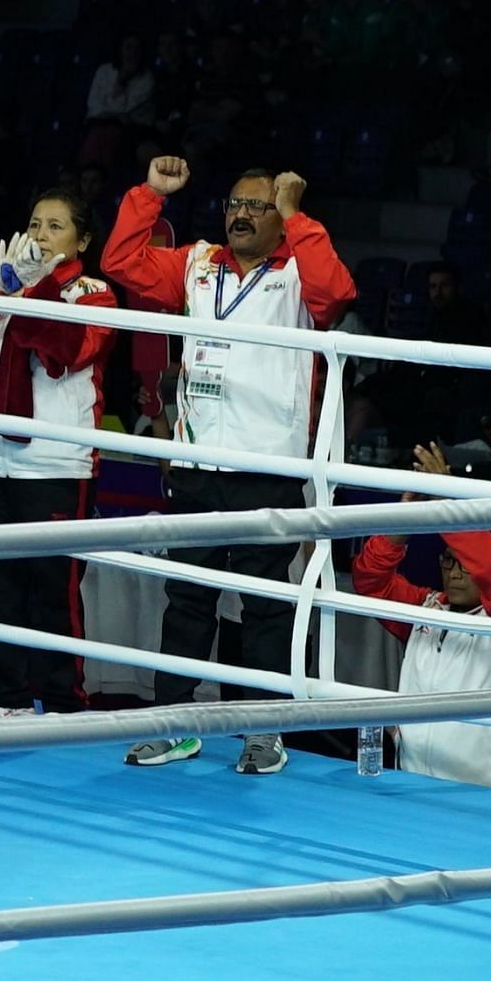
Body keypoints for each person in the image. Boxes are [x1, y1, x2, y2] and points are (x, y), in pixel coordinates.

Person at [102, 158, 356, 775]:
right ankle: (174, 724)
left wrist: (298, 218)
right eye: (233, 205)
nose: (240, 215)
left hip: (267, 466)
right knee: (186, 599)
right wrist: (150, 195)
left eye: (256, 207)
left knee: (264, 607)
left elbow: (337, 296)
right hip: (195, 461)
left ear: (280, 216)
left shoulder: (298, 269)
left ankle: (263, 734)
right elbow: (120, 264)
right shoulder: (195, 263)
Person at [0, 189, 118, 717]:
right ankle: (8, 700)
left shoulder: (94, 294)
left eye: (55, 226)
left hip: (56, 464)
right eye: (35, 223)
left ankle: (64, 703)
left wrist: (35, 292)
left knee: (53, 594)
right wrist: (0, 289)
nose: (40, 236)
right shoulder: (6, 282)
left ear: (82, 240)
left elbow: (69, 350)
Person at [351, 443, 491, 791]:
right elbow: (370, 578)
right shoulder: (424, 609)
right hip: (412, 784)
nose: (455, 573)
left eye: (465, 562)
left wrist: (446, 503)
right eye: (448, 560)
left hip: (490, 798)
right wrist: (407, 517)